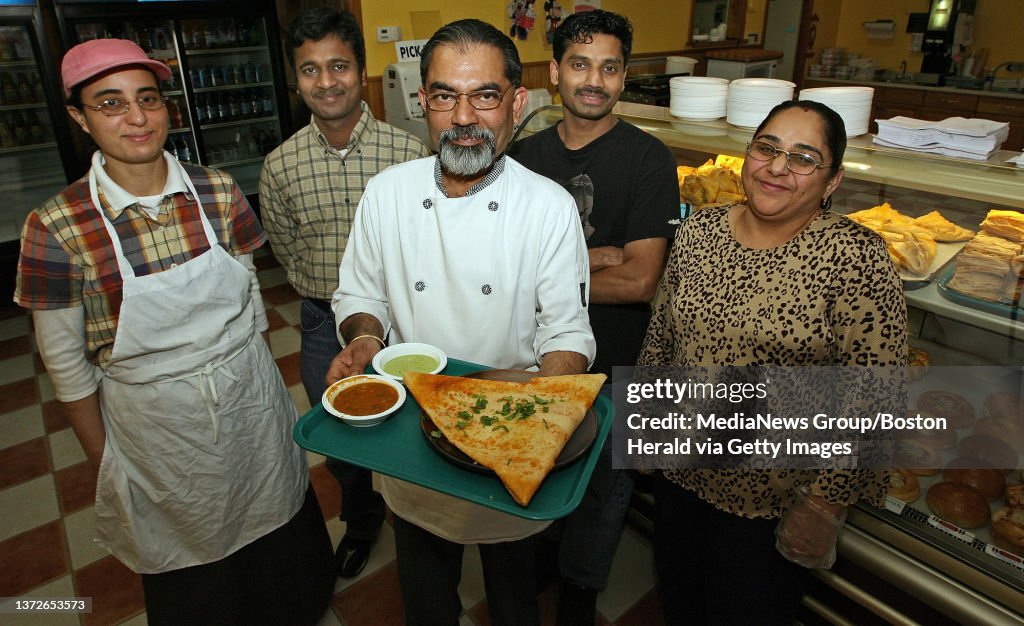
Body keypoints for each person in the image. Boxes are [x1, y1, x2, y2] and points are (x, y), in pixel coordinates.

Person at [14, 39, 334, 624]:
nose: (136, 118)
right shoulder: (57, 227)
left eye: (148, 99)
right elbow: (67, 367)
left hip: (250, 401)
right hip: (158, 431)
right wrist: (108, 461)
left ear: (168, 108)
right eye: (110, 103)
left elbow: (251, 305)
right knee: (194, 557)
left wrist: (263, 389)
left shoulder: (217, 191)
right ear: (79, 118)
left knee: (279, 529)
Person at [326, 18, 596, 626]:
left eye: (485, 96)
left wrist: (546, 409)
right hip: (411, 426)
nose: (463, 116)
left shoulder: (548, 207)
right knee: (424, 588)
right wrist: (365, 339)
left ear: (516, 103)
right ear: (422, 102)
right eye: (446, 95)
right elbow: (360, 292)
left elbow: (567, 330)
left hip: (508, 426)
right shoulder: (387, 193)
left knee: (513, 595)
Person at [638, 100, 907, 624]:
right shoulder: (700, 232)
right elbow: (662, 336)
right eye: (768, 148)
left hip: (774, 500)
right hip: (680, 478)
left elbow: (877, 395)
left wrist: (825, 505)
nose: (779, 167)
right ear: (747, 154)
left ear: (832, 182)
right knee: (681, 602)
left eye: (804, 158)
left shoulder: (856, 258)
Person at [507, 10, 678, 625]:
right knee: (538, 458)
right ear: (555, 71)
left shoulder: (648, 160)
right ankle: (545, 559)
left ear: (625, 76)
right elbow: (500, 266)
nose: (594, 80)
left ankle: (582, 589)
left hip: (616, 355)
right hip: (533, 351)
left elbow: (640, 278)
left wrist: (545, 275)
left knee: (606, 485)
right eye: (580, 64)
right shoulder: (522, 156)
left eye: (609, 67)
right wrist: (589, 259)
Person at [259, 7, 431, 579]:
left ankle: (423, 528)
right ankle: (362, 521)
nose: (326, 81)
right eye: (311, 69)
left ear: (361, 71)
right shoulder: (280, 166)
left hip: (406, 322)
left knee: (413, 429)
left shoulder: (408, 154)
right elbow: (285, 249)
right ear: (296, 78)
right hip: (319, 325)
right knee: (340, 438)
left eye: (339, 66)